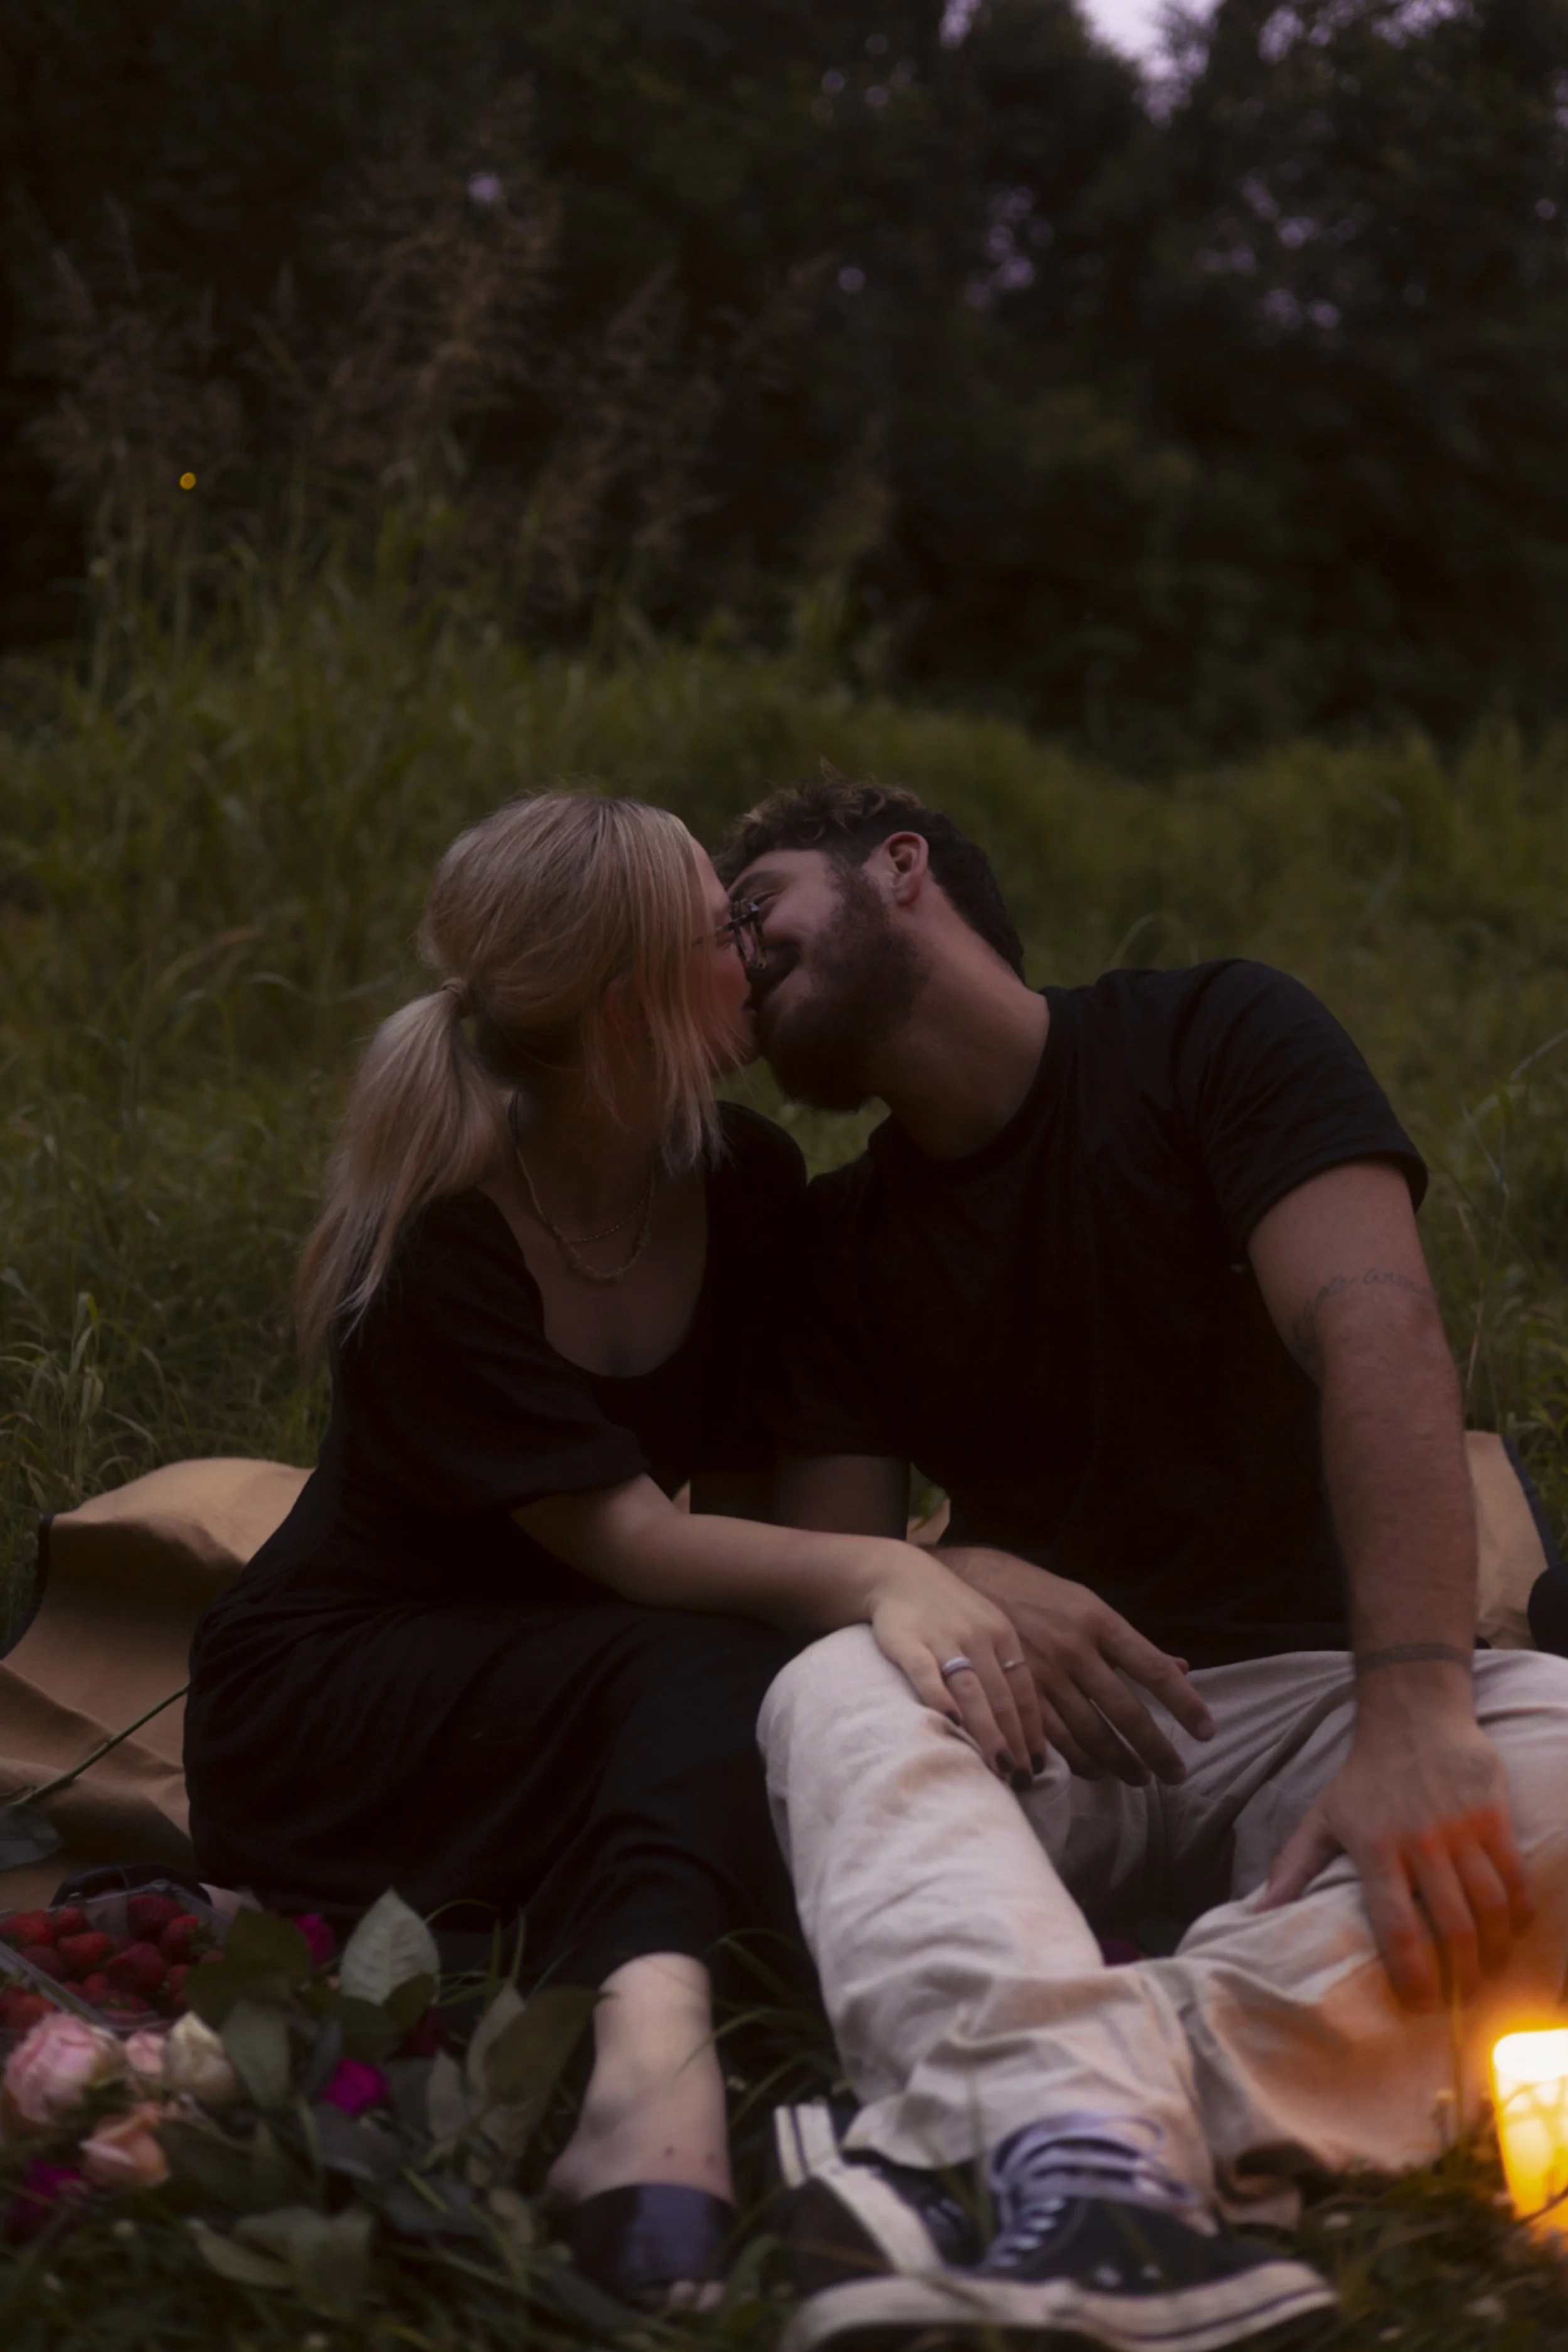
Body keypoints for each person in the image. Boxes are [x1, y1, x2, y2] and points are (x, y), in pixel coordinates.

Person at [714, 775, 1568, 2352]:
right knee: (834, 1685)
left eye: (750, 904)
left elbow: (1374, 1324)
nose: (731, 958)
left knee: (1560, 1759)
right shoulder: (840, 1246)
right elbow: (840, 1564)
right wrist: (962, 1562)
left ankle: (1050, 2133)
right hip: (1047, 1717)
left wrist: (1414, 1711)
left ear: (898, 867)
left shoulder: (1212, 1037)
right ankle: (1118, 2135)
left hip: (1323, 1705)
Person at [183, 790, 1034, 2307]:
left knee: (750, 1701)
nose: (754, 954)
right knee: (702, 1670)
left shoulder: (744, 1182)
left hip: (595, 1688)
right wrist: (901, 1571)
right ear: (630, 997)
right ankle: (653, 2068)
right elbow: (637, 1544)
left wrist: (926, 1583)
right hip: (340, 1699)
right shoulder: (441, 1231)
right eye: (722, 932)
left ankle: (661, 2025)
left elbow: (743, 1521)